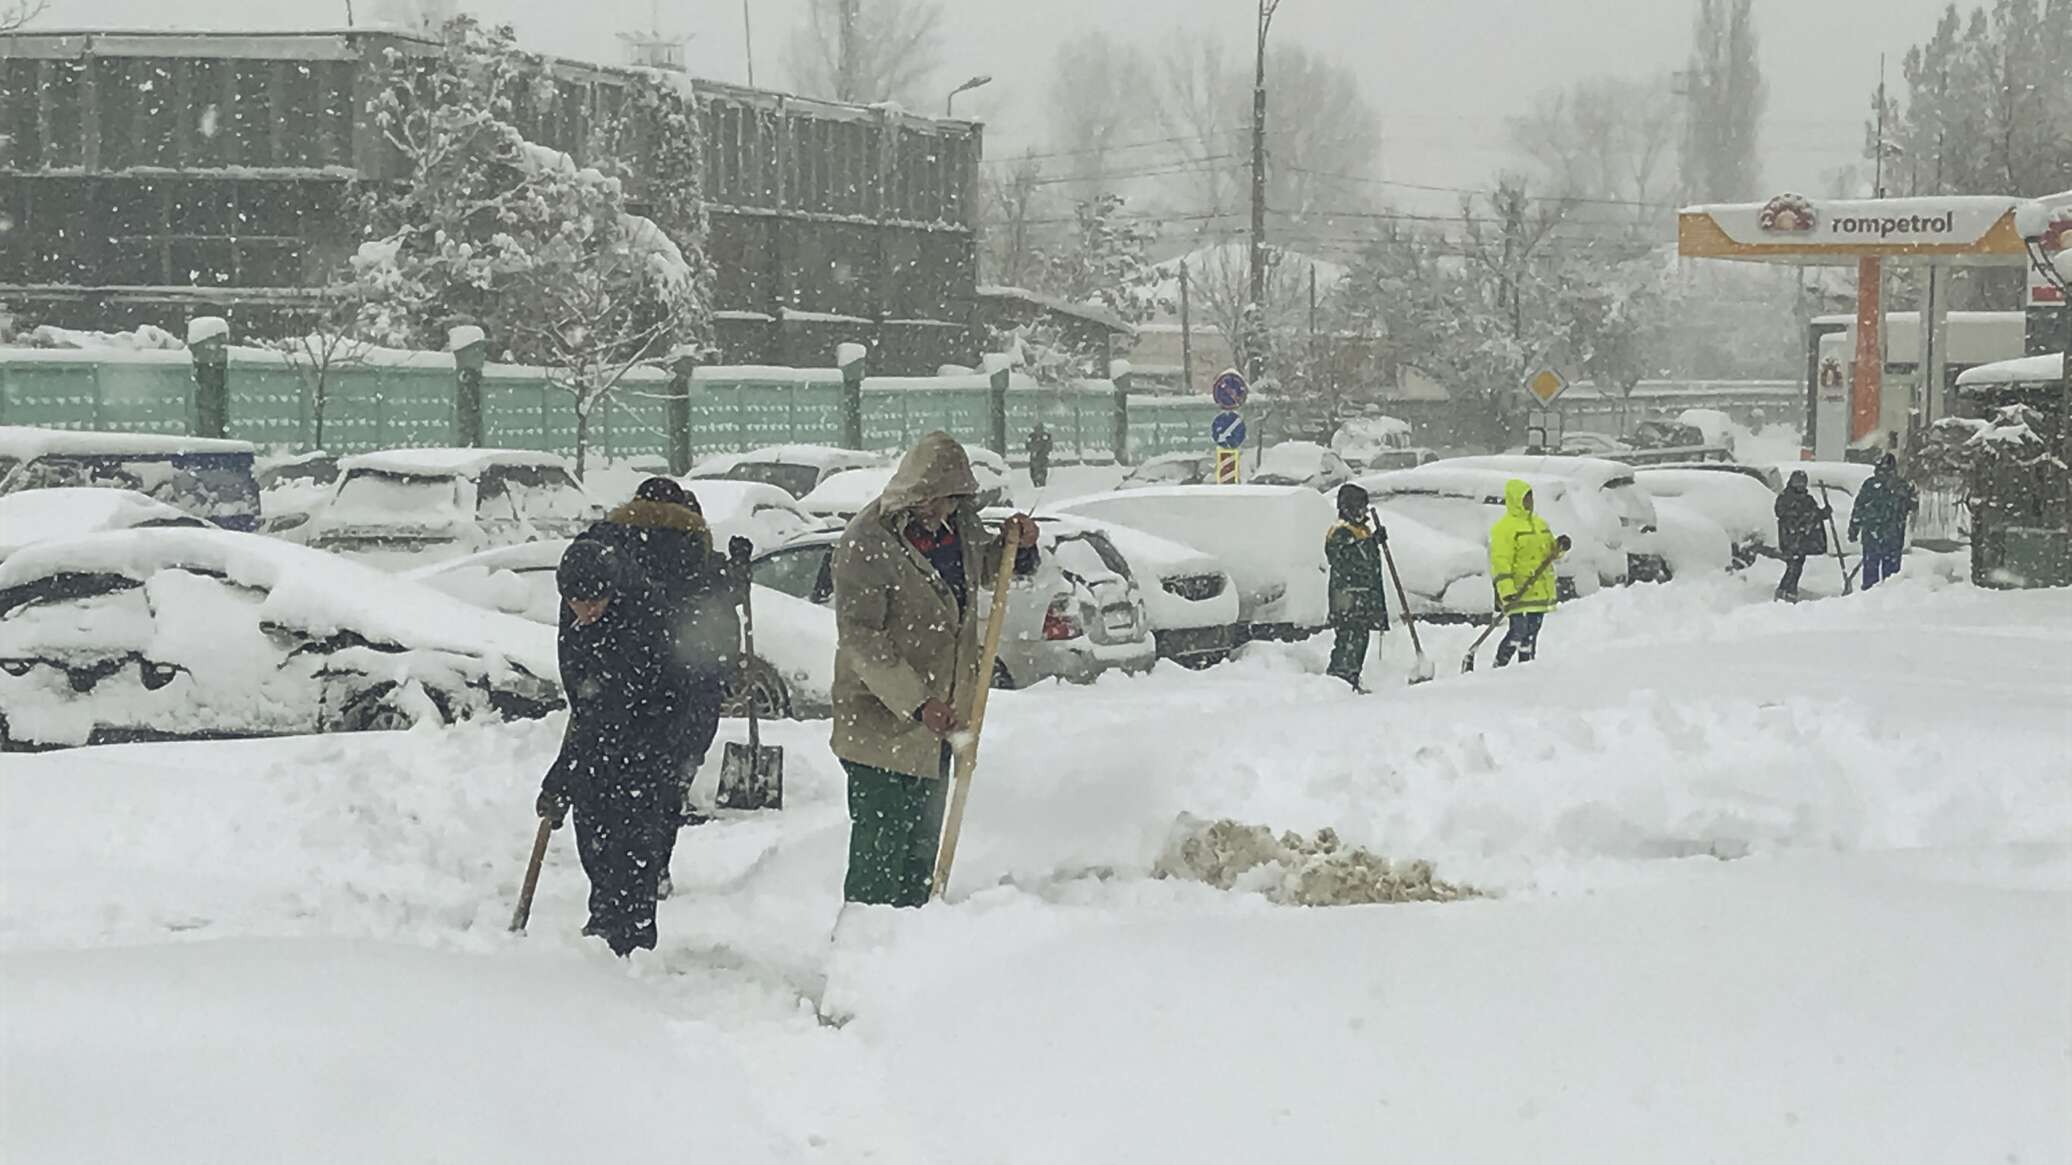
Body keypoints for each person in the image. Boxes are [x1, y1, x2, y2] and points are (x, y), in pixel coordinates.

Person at [830, 431, 1040, 908]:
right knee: (879, 858)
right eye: (940, 501)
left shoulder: (957, 529)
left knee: (922, 851)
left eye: (954, 500)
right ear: (917, 493)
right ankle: (863, 955)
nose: (945, 512)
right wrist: (918, 703)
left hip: (940, 724)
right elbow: (862, 638)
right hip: (880, 725)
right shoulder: (867, 543)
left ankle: (911, 952)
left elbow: (984, 568)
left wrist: (1015, 547)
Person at [535, 540, 680, 957]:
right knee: (594, 826)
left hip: (651, 731)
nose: (586, 612)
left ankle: (633, 936)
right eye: (576, 603)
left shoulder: (639, 616)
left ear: (611, 591)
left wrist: (562, 777)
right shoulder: (578, 605)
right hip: (603, 724)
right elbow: (588, 695)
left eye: (594, 602)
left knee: (634, 836)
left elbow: (612, 709)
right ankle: (603, 919)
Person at [1487, 479, 1570, 667]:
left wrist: (1559, 547)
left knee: (1532, 631)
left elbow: (1549, 553)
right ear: (1515, 499)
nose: (1529, 501)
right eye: (1525, 498)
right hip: (1518, 590)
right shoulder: (1504, 529)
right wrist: (1506, 590)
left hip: (1538, 589)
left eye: (1531, 497)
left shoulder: (1540, 524)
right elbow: (1501, 561)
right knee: (1518, 630)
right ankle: (1499, 666)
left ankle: (1526, 667)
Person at [1323, 482, 1390, 689]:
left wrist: (1373, 540)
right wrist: (1372, 543)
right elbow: (1351, 559)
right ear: (1347, 507)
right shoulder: (1340, 531)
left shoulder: (1361, 530)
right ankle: (1340, 677)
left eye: (1364, 507)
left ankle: (1352, 676)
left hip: (1362, 597)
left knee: (1360, 638)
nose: (1362, 512)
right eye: (1359, 507)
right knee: (1349, 638)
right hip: (1348, 598)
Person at [1849, 453, 1916, 589]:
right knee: (1884, 573)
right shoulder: (1877, 485)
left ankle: (1877, 595)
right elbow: (1859, 506)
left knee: (1881, 573)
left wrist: (1854, 527)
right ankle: (1878, 595)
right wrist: (1854, 527)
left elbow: (1859, 507)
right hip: (1885, 535)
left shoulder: (1897, 486)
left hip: (1884, 535)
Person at [1772, 470, 1832, 602]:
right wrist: (1801, 519)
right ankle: (1788, 591)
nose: (1800, 485)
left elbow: (1814, 514)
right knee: (1794, 564)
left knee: (1797, 564)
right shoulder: (1785, 497)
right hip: (1790, 537)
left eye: (1802, 483)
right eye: (1797, 482)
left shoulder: (1807, 499)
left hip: (1802, 539)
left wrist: (1824, 513)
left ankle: (1785, 590)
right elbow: (1782, 513)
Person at [1025, 422, 1055, 489]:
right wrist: (1033, 450)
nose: (1038, 431)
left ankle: (1042, 481)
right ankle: (1035, 481)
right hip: (1034, 457)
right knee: (1033, 470)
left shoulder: (1045, 436)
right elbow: (1028, 446)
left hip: (1042, 456)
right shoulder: (1031, 436)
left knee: (1042, 469)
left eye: (1039, 429)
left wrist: (1045, 451)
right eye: (1036, 429)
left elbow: (1049, 445)